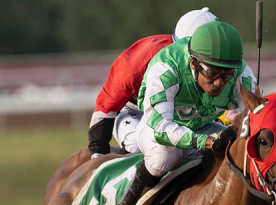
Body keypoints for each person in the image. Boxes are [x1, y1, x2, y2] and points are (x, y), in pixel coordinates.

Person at [110, 20, 256, 205]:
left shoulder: (243, 75)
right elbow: (160, 126)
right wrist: (204, 141)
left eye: (226, 75)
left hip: (203, 124)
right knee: (165, 157)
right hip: (158, 126)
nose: (218, 83)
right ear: (193, 62)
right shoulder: (166, 68)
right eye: (211, 73)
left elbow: (251, 117)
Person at [88, 7, 218, 158]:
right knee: (142, 147)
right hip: (135, 110)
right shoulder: (136, 63)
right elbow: (107, 105)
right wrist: (98, 151)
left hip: (176, 112)